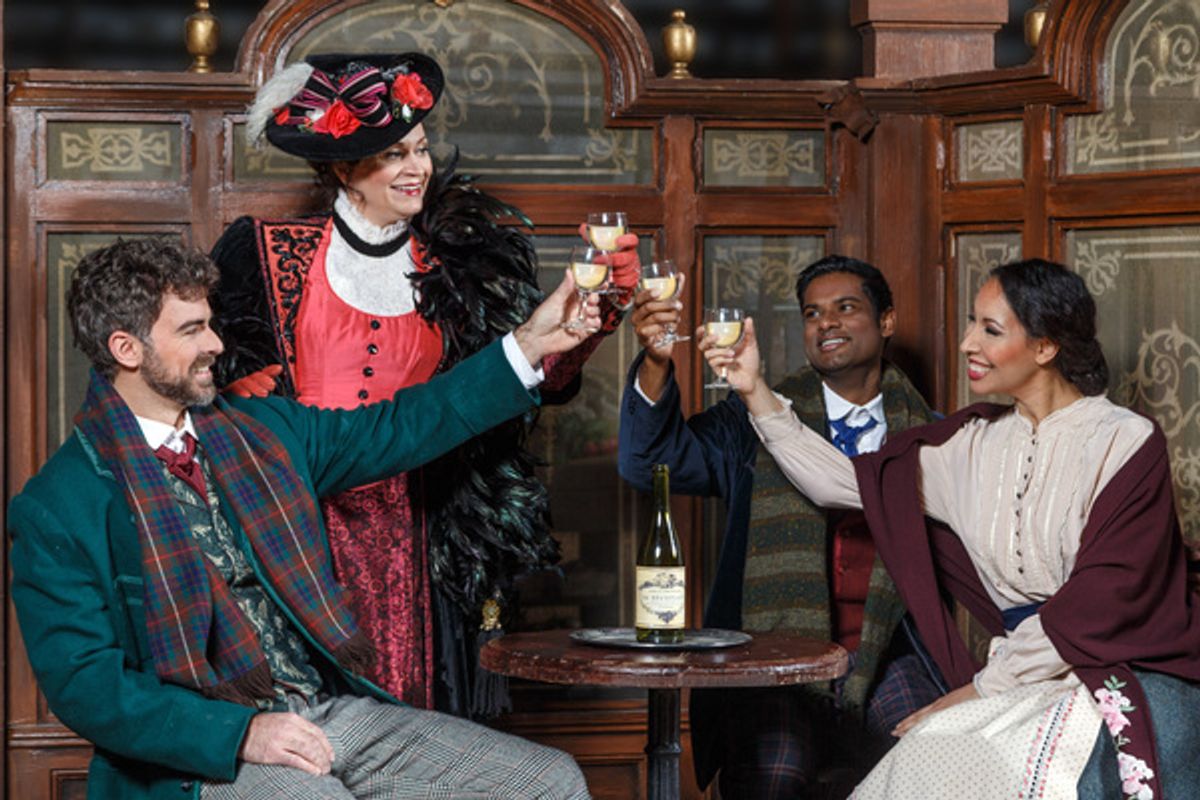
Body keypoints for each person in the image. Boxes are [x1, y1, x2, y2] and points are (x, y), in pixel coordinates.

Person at [8, 237, 598, 799]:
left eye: (209, 323)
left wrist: (529, 343)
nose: (216, 343)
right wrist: (243, 735)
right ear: (126, 349)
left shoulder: (266, 432)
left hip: (323, 711)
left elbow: (398, 427)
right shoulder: (59, 506)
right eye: (192, 330)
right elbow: (87, 688)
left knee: (548, 782)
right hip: (204, 754)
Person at [211, 51, 640, 718]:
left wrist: (595, 319)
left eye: (421, 149)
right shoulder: (264, 253)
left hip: (426, 531)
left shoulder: (463, 262)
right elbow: (214, 389)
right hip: (304, 529)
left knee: (425, 738)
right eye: (394, 156)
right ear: (341, 168)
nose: (418, 168)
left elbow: (534, 382)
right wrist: (239, 395)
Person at [711, 258, 1200, 799]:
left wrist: (976, 692)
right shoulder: (969, 445)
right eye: (972, 323)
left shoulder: (1125, 441)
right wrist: (754, 388)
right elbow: (840, 483)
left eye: (990, 330)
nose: (968, 342)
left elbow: (1103, 597)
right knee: (925, 756)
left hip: (1115, 664)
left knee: (950, 751)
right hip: (1019, 676)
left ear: (1045, 346)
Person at [618, 255, 944, 798]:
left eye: (846, 308)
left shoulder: (935, 436)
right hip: (775, 659)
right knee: (773, 773)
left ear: (886, 321)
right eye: (813, 314)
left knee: (933, 758)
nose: (827, 324)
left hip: (890, 653)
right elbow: (647, 460)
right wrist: (655, 360)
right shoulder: (752, 420)